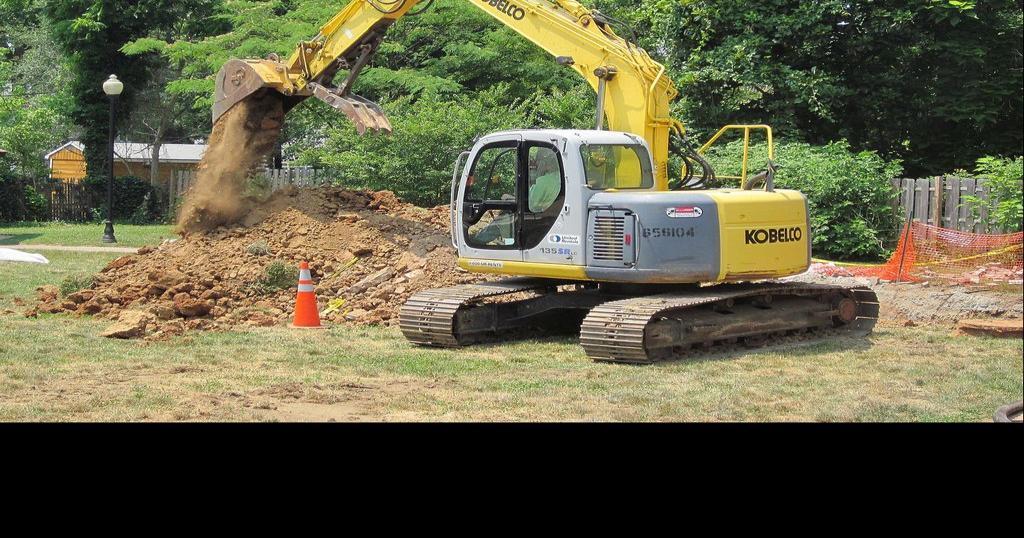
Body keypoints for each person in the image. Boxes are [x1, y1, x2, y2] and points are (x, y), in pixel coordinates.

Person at [470, 149, 561, 245]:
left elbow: (530, 205)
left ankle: (476, 242)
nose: (537, 165)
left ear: (545, 163)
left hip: (535, 218)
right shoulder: (558, 179)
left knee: (501, 222)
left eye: (538, 162)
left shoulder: (544, 181)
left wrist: (509, 198)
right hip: (545, 217)